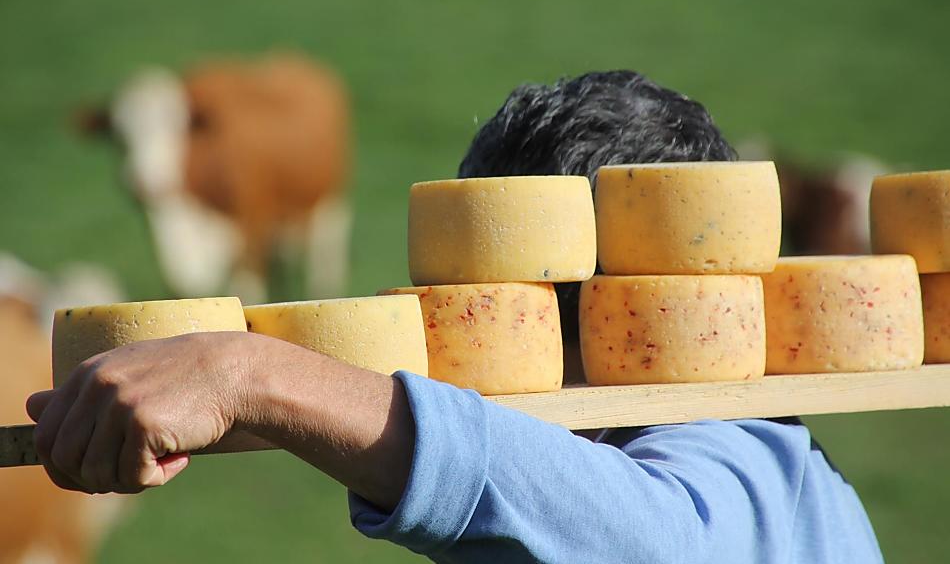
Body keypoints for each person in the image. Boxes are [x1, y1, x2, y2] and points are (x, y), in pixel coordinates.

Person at [27, 71, 883, 563]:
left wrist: (251, 372)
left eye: (483, 306)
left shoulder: (750, 455)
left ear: (613, 305)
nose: (455, 345)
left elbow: (661, 542)